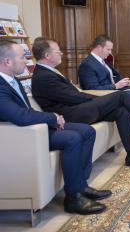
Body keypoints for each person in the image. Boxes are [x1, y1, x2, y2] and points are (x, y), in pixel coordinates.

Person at [31, 37, 130, 167]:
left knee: (121, 111)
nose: (62, 53)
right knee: (120, 97)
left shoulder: (50, 72)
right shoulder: (44, 76)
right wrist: (102, 100)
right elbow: (74, 97)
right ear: (47, 55)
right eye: (58, 51)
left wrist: (102, 100)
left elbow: (73, 95)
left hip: (76, 108)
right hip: (69, 115)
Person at [0, 40, 111, 215]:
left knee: (86, 131)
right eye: (23, 57)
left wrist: (49, 120)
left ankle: (81, 186)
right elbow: (19, 116)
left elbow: (26, 111)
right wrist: (51, 118)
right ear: (7, 61)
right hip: (20, 137)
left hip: (33, 129)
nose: (27, 61)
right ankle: (73, 199)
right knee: (72, 138)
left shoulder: (11, 79)